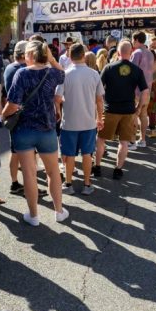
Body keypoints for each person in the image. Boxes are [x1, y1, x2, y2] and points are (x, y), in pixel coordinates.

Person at [3, 42, 68, 226]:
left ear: (29, 55)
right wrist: (52, 59)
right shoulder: (53, 73)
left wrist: (3, 115)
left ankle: (34, 216)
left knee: (29, 174)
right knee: (53, 172)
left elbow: (13, 104)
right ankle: (59, 211)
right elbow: (62, 72)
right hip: (46, 128)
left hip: (24, 129)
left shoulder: (22, 73)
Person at [95, 38, 148, 181]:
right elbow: (145, 91)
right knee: (123, 142)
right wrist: (138, 109)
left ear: (118, 52)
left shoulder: (109, 67)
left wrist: (98, 109)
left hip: (110, 109)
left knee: (100, 139)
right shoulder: (137, 70)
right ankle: (118, 169)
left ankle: (97, 166)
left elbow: (98, 90)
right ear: (130, 52)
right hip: (128, 111)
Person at [56, 43, 104, 196]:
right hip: (89, 122)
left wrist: (60, 111)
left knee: (69, 155)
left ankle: (68, 183)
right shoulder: (94, 74)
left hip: (69, 122)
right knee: (87, 154)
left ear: (69, 56)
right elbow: (99, 100)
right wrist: (100, 118)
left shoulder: (65, 74)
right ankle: (87, 184)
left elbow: (57, 98)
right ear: (84, 55)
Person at [3, 41, 30, 195]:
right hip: (21, 114)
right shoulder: (22, 70)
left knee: (15, 152)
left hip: (14, 114)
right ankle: (29, 186)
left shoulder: (9, 67)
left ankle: (15, 183)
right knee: (26, 154)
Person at [128, 32, 155, 149]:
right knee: (143, 115)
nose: (132, 43)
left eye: (133, 40)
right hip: (147, 89)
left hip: (136, 90)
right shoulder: (150, 53)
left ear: (136, 40)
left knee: (133, 115)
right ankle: (142, 139)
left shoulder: (136, 53)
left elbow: (131, 72)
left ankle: (132, 141)